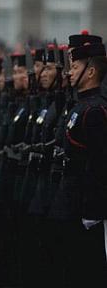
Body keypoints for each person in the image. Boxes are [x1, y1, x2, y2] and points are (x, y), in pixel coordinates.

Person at [56, 42, 107, 288]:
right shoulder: (81, 105)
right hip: (70, 198)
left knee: (86, 268)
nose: (70, 72)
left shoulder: (96, 110)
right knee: (70, 265)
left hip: (83, 201)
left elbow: (99, 165)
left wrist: (93, 210)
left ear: (90, 71)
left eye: (74, 67)